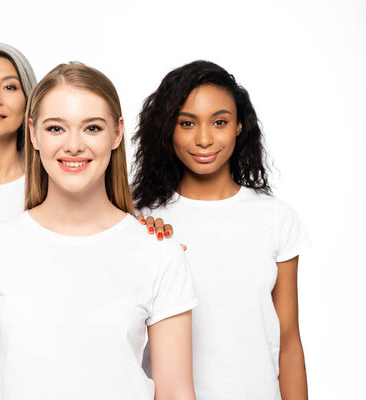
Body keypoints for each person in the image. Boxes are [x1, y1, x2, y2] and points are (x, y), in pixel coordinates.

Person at [0, 62, 198, 400]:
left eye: (92, 128)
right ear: (33, 133)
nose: (73, 146)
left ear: (116, 134)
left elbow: (175, 393)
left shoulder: (160, 253)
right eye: (56, 128)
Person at [133, 60, 310, 399]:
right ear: (167, 129)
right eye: (187, 123)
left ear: (239, 126)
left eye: (219, 122)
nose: (203, 139)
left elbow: (289, 341)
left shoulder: (275, 217)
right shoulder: (141, 221)